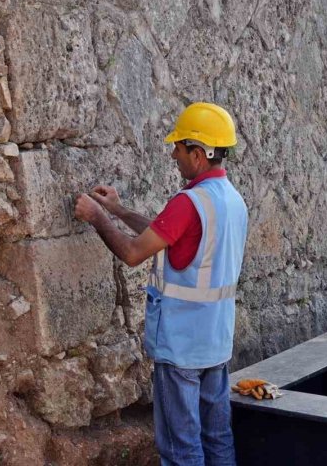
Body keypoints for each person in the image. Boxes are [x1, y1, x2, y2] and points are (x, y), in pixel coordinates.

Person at [74, 102, 249, 466]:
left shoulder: (189, 203)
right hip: (214, 344)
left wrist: (97, 218)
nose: (174, 155)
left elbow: (135, 253)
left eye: (179, 148)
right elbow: (168, 236)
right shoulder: (231, 200)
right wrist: (119, 211)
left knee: (180, 448)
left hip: (181, 345)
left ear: (199, 154)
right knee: (217, 440)